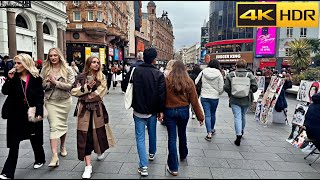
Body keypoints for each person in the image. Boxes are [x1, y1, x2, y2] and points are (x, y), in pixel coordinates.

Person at [0, 54, 46, 179]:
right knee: (14, 144)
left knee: (35, 138)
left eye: (19, 63)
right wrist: (9, 79)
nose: (16, 66)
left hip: (31, 112)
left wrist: (39, 111)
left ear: (26, 63)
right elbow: (5, 92)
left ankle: (40, 158)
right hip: (15, 114)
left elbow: (39, 96)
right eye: (15, 63)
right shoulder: (13, 77)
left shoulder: (36, 78)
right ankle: (8, 172)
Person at [123, 48, 166, 177]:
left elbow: (124, 86)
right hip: (152, 111)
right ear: (154, 59)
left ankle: (143, 166)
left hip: (138, 110)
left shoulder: (135, 71)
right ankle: (152, 153)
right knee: (152, 132)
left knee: (140, 138)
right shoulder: (158, 74)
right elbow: (162, 95)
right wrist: (161, 110)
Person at [71, 56, 110, 179]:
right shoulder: (80, 77)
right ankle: (88, 166)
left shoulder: (101, 77)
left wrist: (84, 96)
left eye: (98, 62)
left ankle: (99, 150)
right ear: (88, 64)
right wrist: (86, 88)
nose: (96, 64)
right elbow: (73, 91)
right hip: (84, 112)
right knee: (85, 137)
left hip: (97, 110)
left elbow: (100, 93)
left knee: (98, 135)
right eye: (93, 62)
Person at [165, 60, 204, 176]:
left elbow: (162, 97)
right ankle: (183, 154)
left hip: (169, 111)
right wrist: (200, 116)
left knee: (172, 138)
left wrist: (160, 112)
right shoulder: (189, 81)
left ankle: (173, 168)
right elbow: (194, 101)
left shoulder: (167, 80)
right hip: (183, 111)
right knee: (182, 133)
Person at [41, 47, 75, 167]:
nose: (53, 58)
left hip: (64, 101)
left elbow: (70, 86)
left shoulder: (68, 69)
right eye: (51, 56)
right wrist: (49, 83)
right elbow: (42, 86)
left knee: (63, 124)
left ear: (59, 56)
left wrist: (56, 83)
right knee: (54, 127)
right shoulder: (45, 69)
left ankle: (63, 145)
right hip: (51, 101)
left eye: (55, 55)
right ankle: (54, 156)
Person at [223, 59, 258, 146]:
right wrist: (248, 91)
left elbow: (226, 87)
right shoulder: (250, 75)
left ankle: (238, 135)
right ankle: (241, 131)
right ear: (245, 66)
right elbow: (255, 87)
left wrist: (232, 92)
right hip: (246, 99)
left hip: (234, 99)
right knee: (243, 116)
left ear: (236, 66)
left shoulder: (231, 74)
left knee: (237, 117)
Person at [195, 59, 224, 141]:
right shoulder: (219, 73)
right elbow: (222, 87)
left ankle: (209, 133)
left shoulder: (204, 71)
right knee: (213, 113)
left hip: (204, 96)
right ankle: (212, 128)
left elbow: (196, 81)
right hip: (214, 97)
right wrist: (218, 93)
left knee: (207, 114)